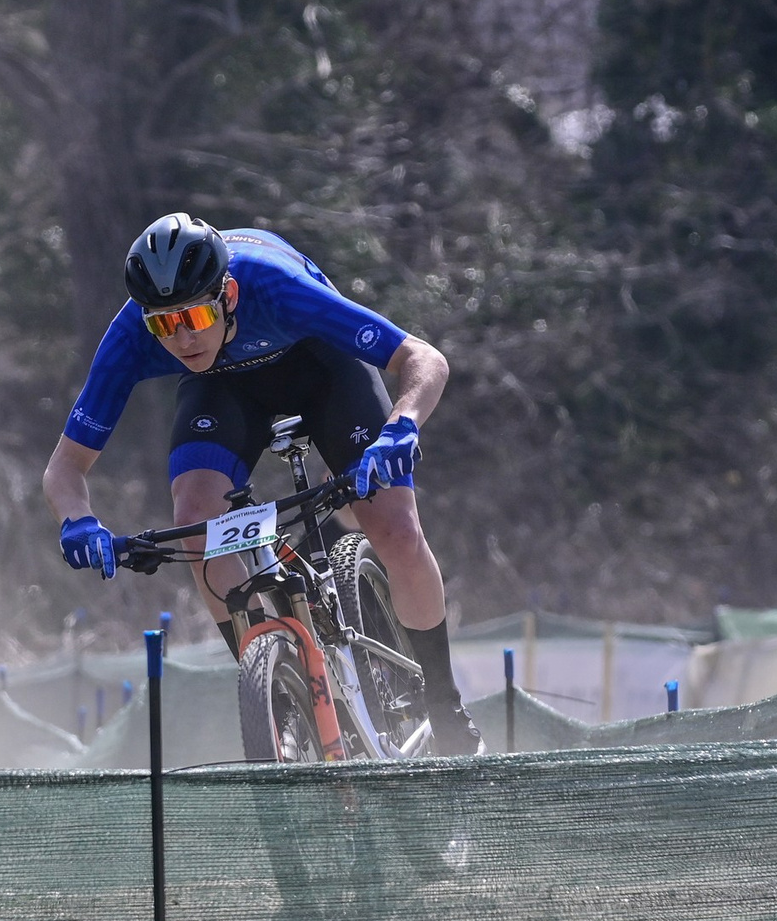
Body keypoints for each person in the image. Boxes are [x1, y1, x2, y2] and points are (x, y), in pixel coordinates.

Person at [40, 213, 481, 754]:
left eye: (195, 314)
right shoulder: (133, 332)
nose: (182, 337)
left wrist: (401, 429)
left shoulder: (274, 285)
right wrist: (78, 522)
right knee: (195, 523)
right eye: (164, 324)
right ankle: (271, 688)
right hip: (224, 391)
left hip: (324, 369)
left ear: (227, 293)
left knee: (395, 529)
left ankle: (443, 701)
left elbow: (424, 359)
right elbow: (64, 469)